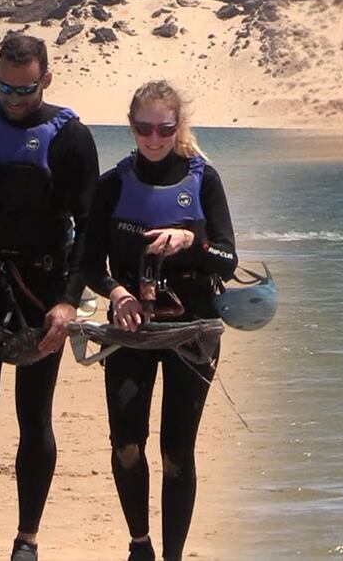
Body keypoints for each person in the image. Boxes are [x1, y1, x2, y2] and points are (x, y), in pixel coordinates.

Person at [0, 33, 99, 561]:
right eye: (4, 89)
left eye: (25, 90)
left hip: (41, 292)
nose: (13, 100)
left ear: (47, 79)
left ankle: (27, 540)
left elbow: (91, 231)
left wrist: (69, 301)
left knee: (34, 416)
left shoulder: (71, 138)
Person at [82, 80, 238, 561]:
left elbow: (229, 260)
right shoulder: (111, 185)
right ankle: (139, 545)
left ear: (178, 127)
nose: (154, 138)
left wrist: (192, 241)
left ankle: (172, 556)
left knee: (176, 453)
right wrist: (118, 291)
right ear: (131, 126)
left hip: (193, 328)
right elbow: (87, 265)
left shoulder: (203, 178)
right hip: (130, 329)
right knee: (128, 445)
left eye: (164, 129)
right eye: (144, 128)